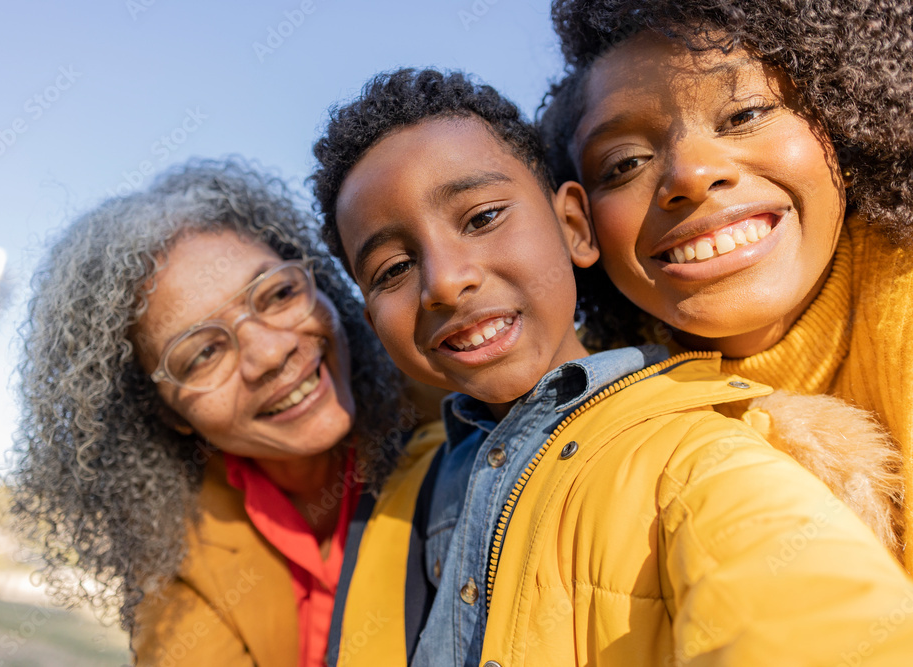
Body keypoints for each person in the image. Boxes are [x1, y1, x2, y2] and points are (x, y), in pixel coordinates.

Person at [309, 68, 913, 666]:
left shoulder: (697, 456)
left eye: (483, 217)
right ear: (371, 319)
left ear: (573, 226)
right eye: (392, 269)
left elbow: (827, 623)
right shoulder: (400, 482)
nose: (444, 281)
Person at [6, 158, 441, 666]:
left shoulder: (463, 416)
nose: (271, 354)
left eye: (278, 293)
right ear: (168, 412)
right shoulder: (176, 558)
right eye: (203, 353)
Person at [539, 0, 913, 571]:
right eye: (624, 163)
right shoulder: (590, 433)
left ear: (840, 119)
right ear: (578, 224)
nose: (690, 173)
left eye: (744, 115)